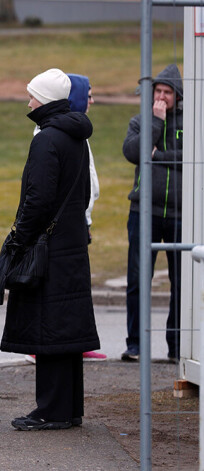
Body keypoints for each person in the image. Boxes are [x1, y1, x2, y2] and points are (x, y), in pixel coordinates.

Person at [0, 68, 100, 431]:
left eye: (33, 96)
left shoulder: (46, 139)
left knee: (50, 327)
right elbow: (85, 191)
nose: (29, 102)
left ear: (46, 99)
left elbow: (37, 198)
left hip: (48, 246)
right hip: (72, 242)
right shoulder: (76, 136)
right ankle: (69, 407)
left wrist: (18, 237)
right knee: (68, 327)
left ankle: (51, 410)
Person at [121, 63, 183, 363]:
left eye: (167, 92)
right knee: (137, 279)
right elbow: (133, 152)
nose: (161, 97)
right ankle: (135, 344)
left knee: (182, 281)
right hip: (144, 212)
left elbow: (192, 158)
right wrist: (155, 124)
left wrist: (159, 155)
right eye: (157, 91)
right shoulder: (141, 121)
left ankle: (178, 345)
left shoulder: (190, 123)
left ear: (177, 95)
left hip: (180, 215)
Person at [67, 73, 106, 361]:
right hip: (71, 222)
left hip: (82, 221)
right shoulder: (63, 131)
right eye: (88, 94)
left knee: (79, 284)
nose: (92, 100)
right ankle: (54, 344)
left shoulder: (81, 129)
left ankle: (77, 339)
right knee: (66, 284)